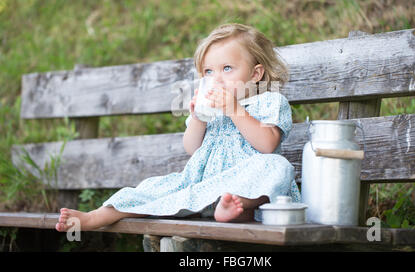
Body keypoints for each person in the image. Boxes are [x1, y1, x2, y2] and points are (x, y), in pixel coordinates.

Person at [55, 23, 301, 232]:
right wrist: (198, 118)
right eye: (208, 72)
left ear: (256, 74)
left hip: (242, 191)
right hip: (200, 185)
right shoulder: (211, 110)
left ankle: (233, 208)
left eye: (227, 69)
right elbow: (192, 148)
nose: (216, 79)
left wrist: (235, 109)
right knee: (152, 187)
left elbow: (268, 145)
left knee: (277, 167)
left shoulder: (268, 101)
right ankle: (97, 216)